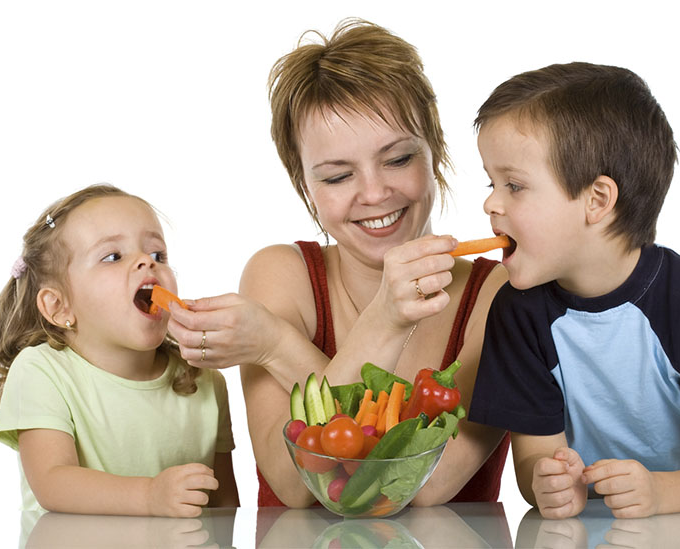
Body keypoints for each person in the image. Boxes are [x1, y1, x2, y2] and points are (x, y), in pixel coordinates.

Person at [167, 19, 510, 507]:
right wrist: (381, 320)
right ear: (305, 186)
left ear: (434, 151)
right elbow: (294, 485)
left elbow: (421, 488)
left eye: (398, 159)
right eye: (337, 176)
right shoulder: (279, 274)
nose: (373, 193)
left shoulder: (501, 295)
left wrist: (279, 346)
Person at [467, 62, 680, 519]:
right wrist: (550, 483)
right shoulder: (517, 314)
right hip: (614, 515)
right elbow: (535, 459)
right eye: (491, 182)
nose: (490, 203)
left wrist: (659, 493)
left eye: (514, 186)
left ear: (597, 200)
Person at [0, 184, 239, 516]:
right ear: (58, 306)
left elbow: (224, 505)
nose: (147, 262)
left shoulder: (205, 380)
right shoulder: (41, 371)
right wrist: (149, 496)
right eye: (113, 256)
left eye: (158, 255)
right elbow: (53, 483)